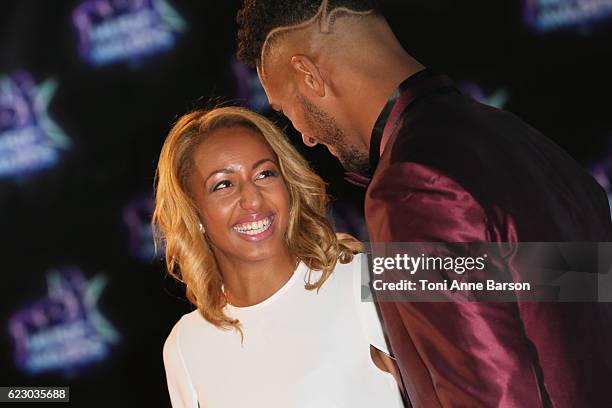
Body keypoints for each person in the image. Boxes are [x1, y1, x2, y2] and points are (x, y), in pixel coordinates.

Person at [235, 1, 612, 407]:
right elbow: (549, 321)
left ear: (308, 75)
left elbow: (490, 395)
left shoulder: (411, 188)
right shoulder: (521, 139)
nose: (305, 137)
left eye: (286, 109)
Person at [153, 106, 405, 407]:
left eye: (265, 174)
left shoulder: (363, 277)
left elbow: (474, 276)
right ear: (193, 212)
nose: (253, 199)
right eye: (223, 184)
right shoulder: (185, 343)